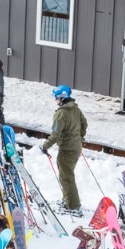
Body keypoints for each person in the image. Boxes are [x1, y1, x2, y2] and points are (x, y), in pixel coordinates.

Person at [40, 85, 87, 215]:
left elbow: (55, 134)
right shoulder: (75, 109)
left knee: (66, 177)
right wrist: (80, 137)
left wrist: (45, 145)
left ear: (61, 97)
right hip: (75, 147)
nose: (55, 100)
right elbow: (84, 124)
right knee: (66, 174)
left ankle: (72, 205)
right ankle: (67, 199)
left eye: (56, 97)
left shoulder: (61, 113)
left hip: (67, 149)